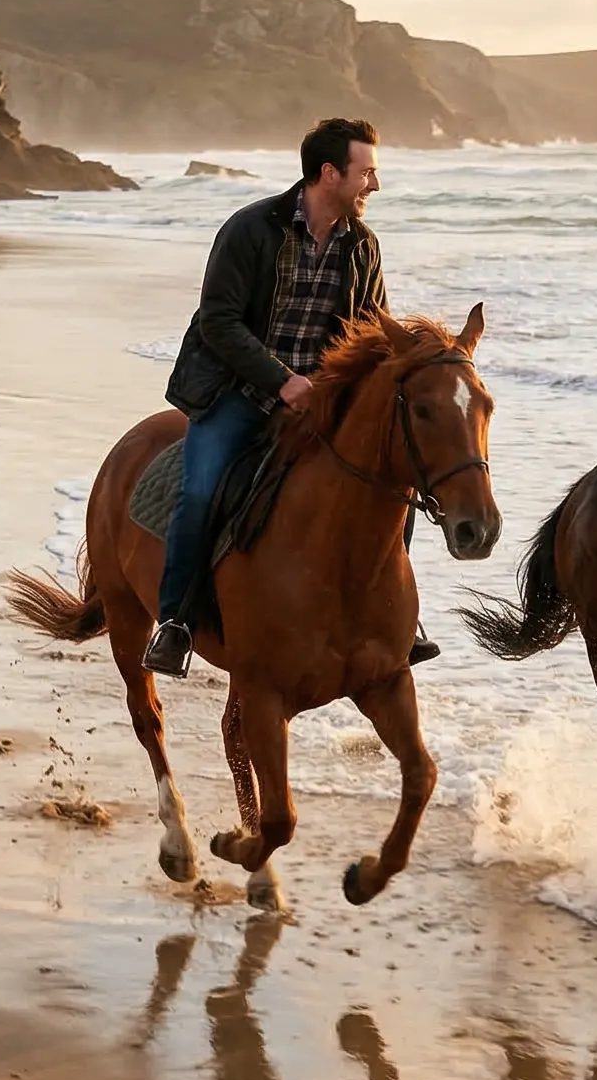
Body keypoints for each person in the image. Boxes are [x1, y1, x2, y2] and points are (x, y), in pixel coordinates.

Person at [145, 116, 442, 678]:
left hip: (321, 400)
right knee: (201, 490)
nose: (374, 186)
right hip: (238, 390)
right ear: (329, 173)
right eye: (367, 173)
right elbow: (219, 322)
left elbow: (368, 331)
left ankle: (395, 617)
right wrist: (281, 380)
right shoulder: (250, 229)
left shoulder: (362, 245)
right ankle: (175, 622)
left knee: (393, 486)